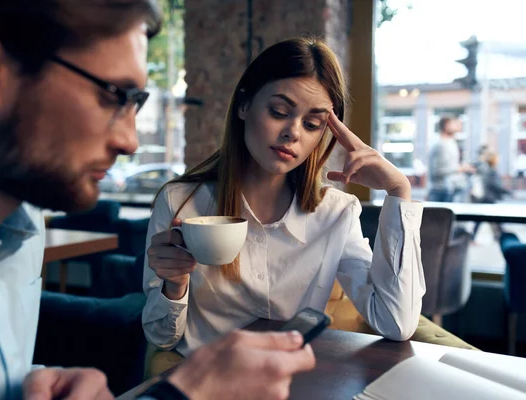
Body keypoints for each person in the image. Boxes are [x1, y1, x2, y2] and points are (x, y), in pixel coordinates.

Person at [0, 1, 314, 399]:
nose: (130, 141)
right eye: (114, 96)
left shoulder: (22, 231)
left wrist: (37, 382)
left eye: (137, 103)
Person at [142, 37, 426, 358]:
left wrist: (398, 192)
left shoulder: (337, 213)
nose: (293, 132)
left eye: (312, 123)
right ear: (244, 105)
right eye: (279, 111)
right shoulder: (180, 202)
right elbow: (160, 337)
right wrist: (174, 287)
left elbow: (396, 323)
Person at [427, 115, 475, 202]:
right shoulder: (441, 145)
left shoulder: (452, 143)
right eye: (454, 123)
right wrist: (460, 168)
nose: (458, 125)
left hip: (451, 190)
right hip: (442, 191)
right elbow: (437, 171)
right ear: (446, 125)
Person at [471, 151, 512, 240]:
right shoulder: (492, 171)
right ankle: (500, 235)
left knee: (484, 218)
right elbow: (495, 186)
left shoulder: (488, 170)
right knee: (487, 218)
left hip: (487, 198)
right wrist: (508, 192)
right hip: (489, 198)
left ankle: (499, 235)